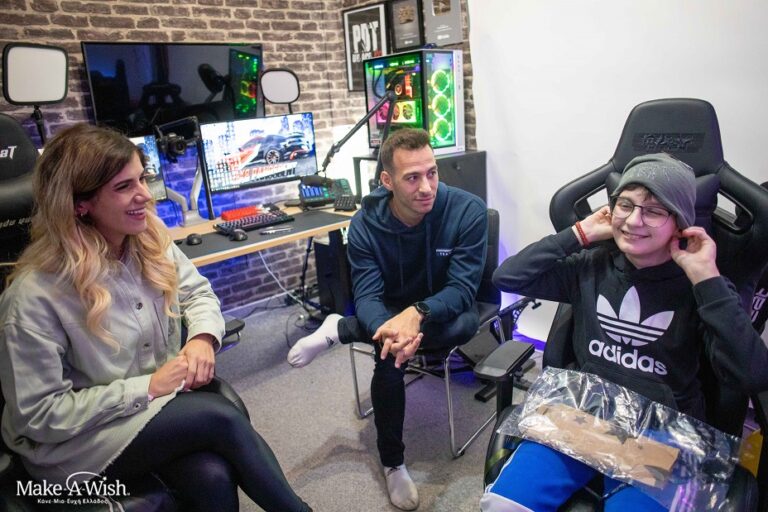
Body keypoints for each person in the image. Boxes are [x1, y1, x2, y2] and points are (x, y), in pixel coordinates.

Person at [0, 124, 312, 512]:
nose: (145, 195)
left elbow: (198, 294)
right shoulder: (35, 297)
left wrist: (201, 339)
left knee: (212, 476)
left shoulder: (150, 239)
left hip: (152, 409)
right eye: (124, 186)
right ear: (80, 204)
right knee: (219, 417)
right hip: (76, 443)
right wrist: (147, 387)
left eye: (142, 179)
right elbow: (41, 415)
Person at [481, 153, 768, 511]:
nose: (633, 221)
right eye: (625, 205)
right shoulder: (590, 266)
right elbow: (506, 277)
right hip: (582, 414)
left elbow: (751, 374)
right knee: (503, 504)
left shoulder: (702, 284)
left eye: (654, 210)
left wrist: (706, 277)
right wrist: (579, 233)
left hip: (661, 433)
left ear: (679, 222)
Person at [287, 128, 487, 510]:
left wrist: (417, 314)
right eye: (412, 178)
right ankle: (393, 462)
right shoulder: (365, 223)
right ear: (387, 181)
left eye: (432, 173)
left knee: (464, 324)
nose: (426, 187)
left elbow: (462, 289)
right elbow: (366, 295)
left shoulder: (467, 210)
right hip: (389, 311)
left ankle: (342, 328)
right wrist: (395, 329)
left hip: (439, 308)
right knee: (390, 356)